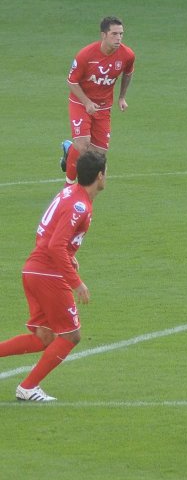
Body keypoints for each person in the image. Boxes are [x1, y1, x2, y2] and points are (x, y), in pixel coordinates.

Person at [0, 151, 107, 402]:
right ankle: (27, 387)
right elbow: (55, 246)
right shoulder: (79, 205)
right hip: (48, 274)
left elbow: (46, 235)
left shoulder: (69, 193)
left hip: (33, 270)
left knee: (43, 337)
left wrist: (69, 254)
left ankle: (28, 385)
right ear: (100, 176)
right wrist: (76, 283)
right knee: (71, 335)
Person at [59, 16, 134, 185]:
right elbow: (71, 81)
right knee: (83, 145)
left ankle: (69, 149)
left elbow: (128, 73)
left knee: (98, 156)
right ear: (103, 35)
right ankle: (68, 185)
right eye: (114, 34)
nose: (118, 38)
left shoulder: (127, 55)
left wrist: (122, 97)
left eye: (121, 34)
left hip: (103, 107)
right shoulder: (86, 55)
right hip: (80, 103)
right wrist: (86, 102)